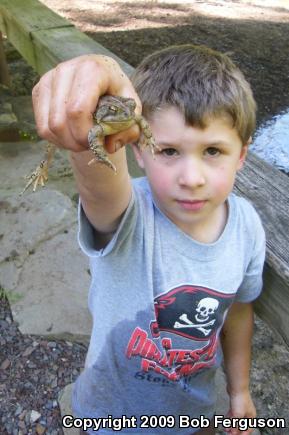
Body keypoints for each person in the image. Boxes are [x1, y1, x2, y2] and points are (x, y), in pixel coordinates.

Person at [32, 45, 266, 435]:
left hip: (196, 415)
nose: (192, 177)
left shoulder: (248, 228)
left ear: (241, 155)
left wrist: (239, 392)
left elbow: (238, 310)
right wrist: (97, 76)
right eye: (169, 150)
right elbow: (99, 181)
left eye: (213, 150)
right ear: (138, 148)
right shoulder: (128, 218)